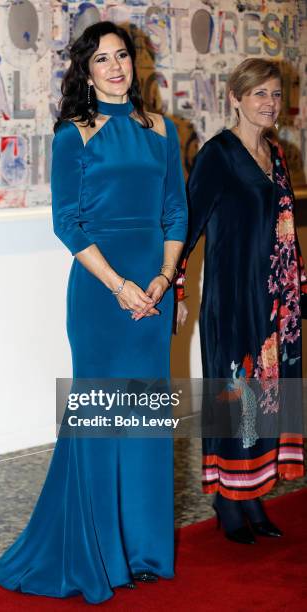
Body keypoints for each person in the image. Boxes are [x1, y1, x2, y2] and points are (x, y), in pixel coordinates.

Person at [0, 21, 187, 603]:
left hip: (154, 288)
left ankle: (146, 551)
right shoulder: (73, 134)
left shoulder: (162, 130)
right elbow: (67, 221)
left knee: (147, 421)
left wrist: (161, 279)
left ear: (135, 63)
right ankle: (100, 554)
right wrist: (120, 285)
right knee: (102, 420)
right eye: (101, 58)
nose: (114, 67)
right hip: (101, 292)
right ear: (86, 70)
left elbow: (176, 212)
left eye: (122, 56)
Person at [176, 58, 305, 544]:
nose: (270, 104)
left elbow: (285, 234)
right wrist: (177, 288)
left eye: (275, 94)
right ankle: (227, 500)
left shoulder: (277, 153)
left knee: (268, 400)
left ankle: (252, 493)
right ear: (235, 97)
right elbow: (186, 227)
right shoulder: (218, 155)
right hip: (233, 301)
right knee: (237, 396)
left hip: (277, 305)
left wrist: (298, 291)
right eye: (259, 94)